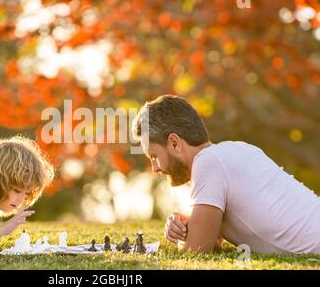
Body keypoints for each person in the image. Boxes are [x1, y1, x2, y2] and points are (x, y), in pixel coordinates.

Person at [132, 94, 320, 254]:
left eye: (154, 156)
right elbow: (213, 239)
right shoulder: (237, 150)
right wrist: (188, 225)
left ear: (174, 143)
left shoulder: (209, 162)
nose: (155, 168)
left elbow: (197, 248)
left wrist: (183, 239)